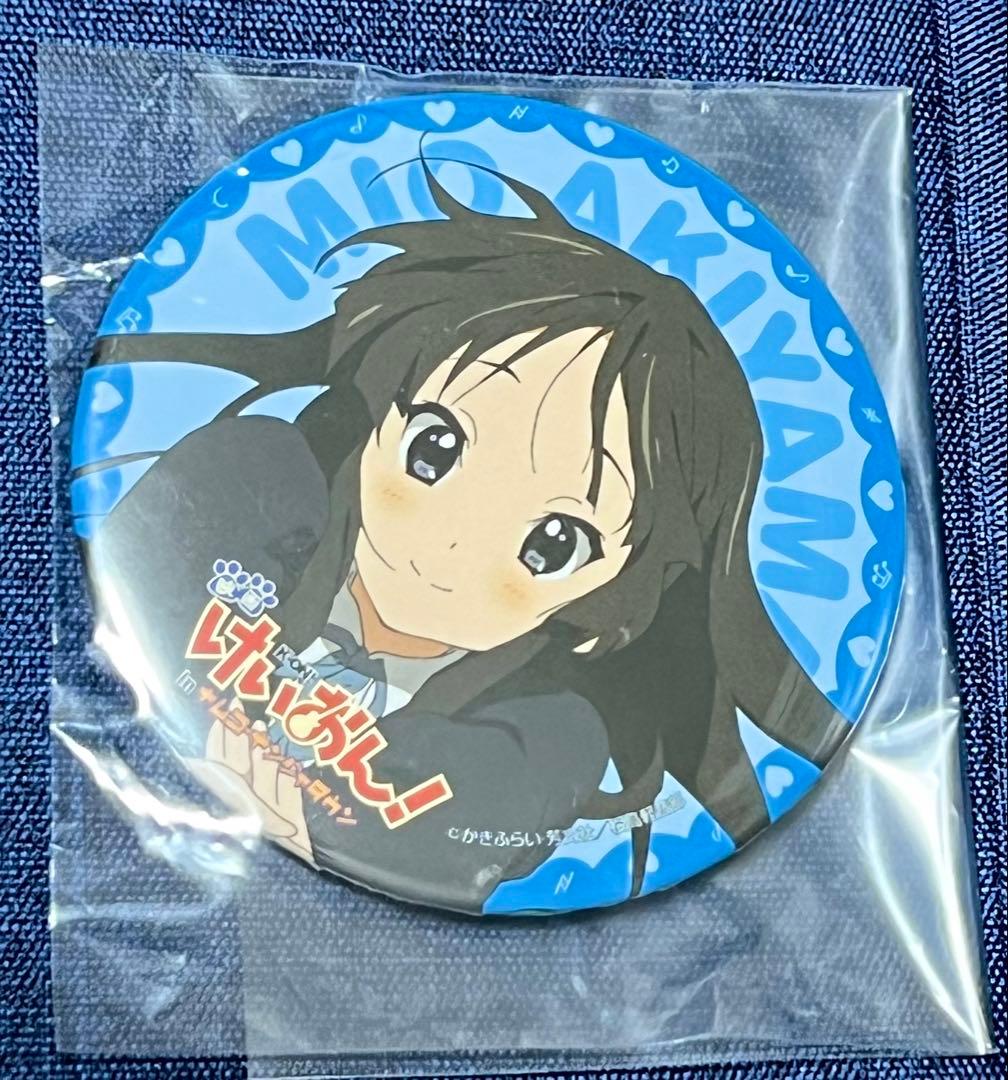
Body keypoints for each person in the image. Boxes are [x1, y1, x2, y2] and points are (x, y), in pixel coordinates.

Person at [83, 164, 849, 912]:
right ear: (382, 408)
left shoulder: (541, 740)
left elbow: (425, 853)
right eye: (435, 449)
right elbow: (134, 592)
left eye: (554, 542)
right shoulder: (247, 481)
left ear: (620, 583)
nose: (446, 548)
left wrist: (299, 823)